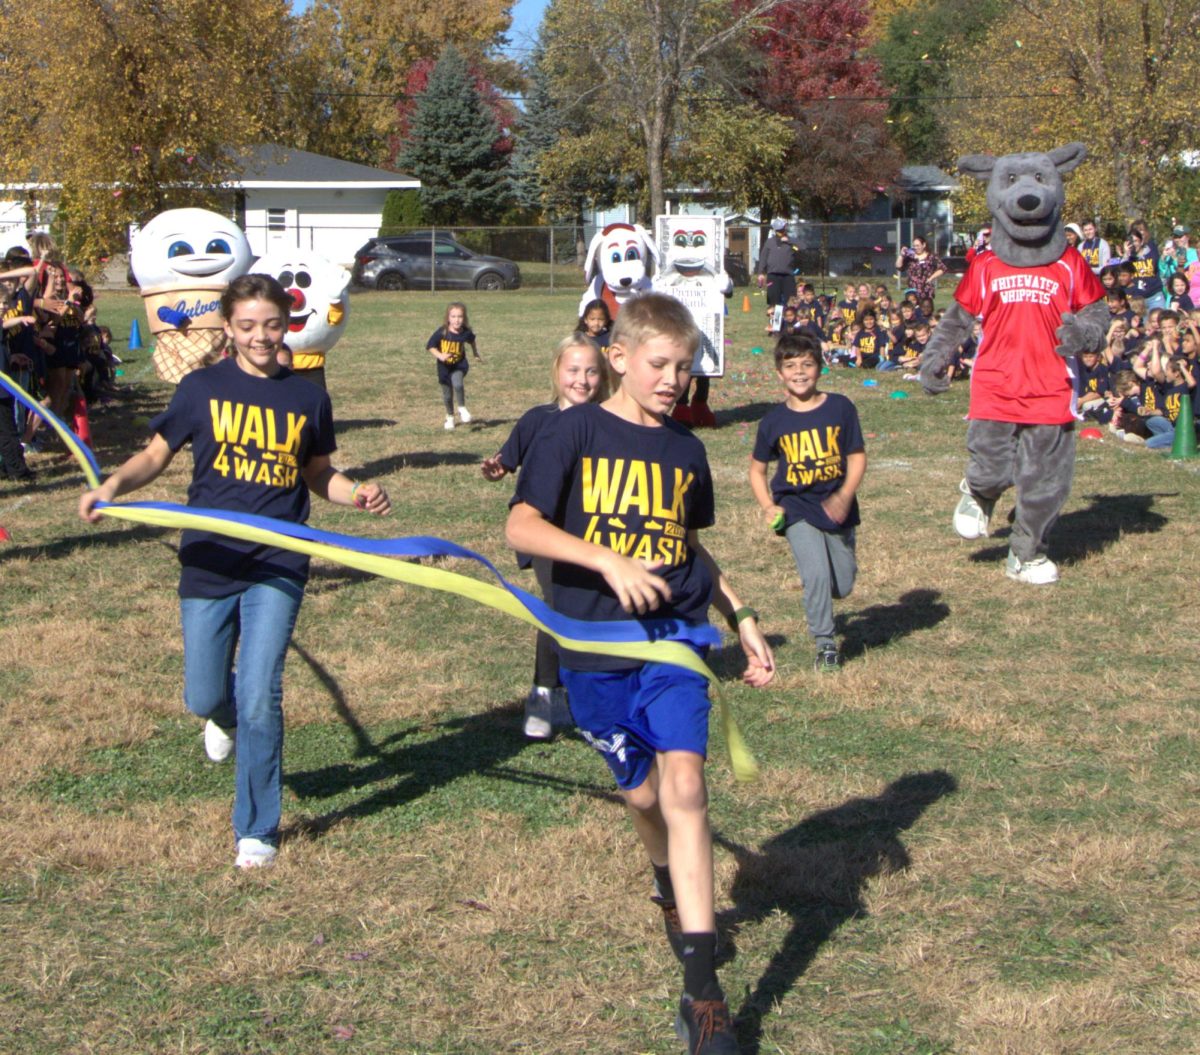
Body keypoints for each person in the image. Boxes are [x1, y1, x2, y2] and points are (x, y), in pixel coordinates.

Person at [506, 293, 775, 1055]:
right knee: (643, 792)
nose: (674, 379)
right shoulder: (571, 430)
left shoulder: (686, 452)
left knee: (686, 783)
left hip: (675, 638)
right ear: (619, 357)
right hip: (592, 644)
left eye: (686, 368)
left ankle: (704, 993)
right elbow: (521, 524)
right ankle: (665, 876)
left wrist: (742, 615)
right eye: (660, 364)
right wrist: (606, 560)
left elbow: (689, 548)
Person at [78, 274, 391, 869]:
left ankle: (257, 829)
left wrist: (358, 493)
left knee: (259, 694)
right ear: (229, 328)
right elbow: (154, 455)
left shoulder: (307, 396)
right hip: (211, 556)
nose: (260, 337)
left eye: (271, 325)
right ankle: (214, 714)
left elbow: (319, 473)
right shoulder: (200, 388)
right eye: (247, 326)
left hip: (278, 560)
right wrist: (112, 487)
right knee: (204, 693)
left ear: (286, 325)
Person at [481, 335, 610, 739]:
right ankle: (544, 695)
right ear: (557, 373)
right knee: (558, 607)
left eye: (591, 371)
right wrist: (496, 469)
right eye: (573, 370)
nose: (582, 380)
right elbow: (507, 459)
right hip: (543, 532)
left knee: (590, 609)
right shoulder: (538, 419)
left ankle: (584, 697)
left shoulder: (610, 421)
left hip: (592, 533)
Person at [749, 332, 865, 671]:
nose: (799, 372)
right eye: (790, 366)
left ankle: (829, 605)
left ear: (820, 368)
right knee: (814, 574)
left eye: (807, 364)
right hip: (796, 508)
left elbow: (857, 457)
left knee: (841, 585)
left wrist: (845, 495)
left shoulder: (840, 407)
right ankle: (825, 642)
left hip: (836, 506)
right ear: (779, 373)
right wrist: (769, 505)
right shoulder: (773, 422)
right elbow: (757, 471)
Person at [427, 301, 481, 430]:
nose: (457, 320)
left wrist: (475, 353)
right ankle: (450, 417)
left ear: (464, 318)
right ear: (448, 318)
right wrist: (440, 356)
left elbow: (472, 341)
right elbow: (430, 346)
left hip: (459, 365)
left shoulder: (465, 332)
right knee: (447, 395)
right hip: (444, 368)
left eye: (460, 317)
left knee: (457, 384)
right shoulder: (442, 332)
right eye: (453, 317)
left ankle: (462, 408)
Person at [755, 217, 801, 308]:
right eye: (779, 230)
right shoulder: (769, 242)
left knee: (791, 301)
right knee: (774, 301)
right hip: (773, 276)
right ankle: (776, 320)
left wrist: (789, 241)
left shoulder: (791, 241)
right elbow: (763, 257)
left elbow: (803, 247)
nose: (781, 232)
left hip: (788, 276)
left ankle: (789, 319)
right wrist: (760, 272)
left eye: (782, 229)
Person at [894, 236, 946, 306]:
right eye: (914, 246)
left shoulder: (931, 256)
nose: (916, 247)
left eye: (918, 245)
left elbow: (942, 268)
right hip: (912, 290)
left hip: (926, 289)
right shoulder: (910, 256)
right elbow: (898, 267)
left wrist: (931, 278)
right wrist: (902, 255)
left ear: (924, 245)